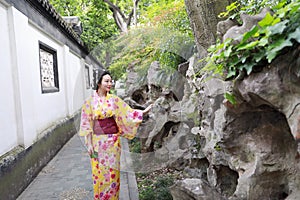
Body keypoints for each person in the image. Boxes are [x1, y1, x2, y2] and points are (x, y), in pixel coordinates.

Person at [79, 71, 152, 200]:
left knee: (113, 174)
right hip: (97, 143)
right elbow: (87, 124)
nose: (110, 84)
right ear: (99, 83)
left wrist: (143, 112)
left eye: (111, 81)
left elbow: (127, 113)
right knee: (100, 174)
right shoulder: (89, 102)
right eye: (106, 81)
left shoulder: (113, 100)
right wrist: (89, 144)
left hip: (113, 143)